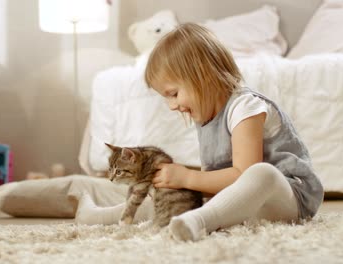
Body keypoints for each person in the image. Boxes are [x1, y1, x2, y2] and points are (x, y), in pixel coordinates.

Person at [76, 22, 323, 242]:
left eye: (173, 94)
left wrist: (187, 178)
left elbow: (244, 174)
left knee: (262, 173)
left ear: (203, 76)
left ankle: (199, 222)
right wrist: (174, 183)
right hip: (247, 204)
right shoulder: (206, 118)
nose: (172, 105)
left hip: (288, 198)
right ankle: (98, 216)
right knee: (166, 195)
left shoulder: (245, 107)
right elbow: (216, 180)